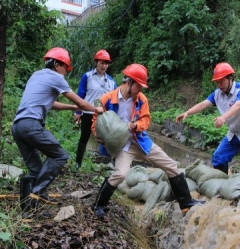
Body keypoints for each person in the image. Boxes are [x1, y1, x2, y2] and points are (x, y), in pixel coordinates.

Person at [91, 63, 204, 218]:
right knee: (120, 174)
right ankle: (99, 206)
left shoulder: (141, 99)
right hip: (122, 146)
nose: (141, 90)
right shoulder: (107, 99)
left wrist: (135, 125)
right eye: (139, 86)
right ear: (129, 82)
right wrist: (99, 135)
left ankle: (186, 203)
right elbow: (96, 121)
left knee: (170, 165)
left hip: (139, 141)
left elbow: (146, 120)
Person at [11, 47, 104, 220]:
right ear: (56, 64)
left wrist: (74, 108)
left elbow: (52, 104)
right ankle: (38, 192)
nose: (65, 73)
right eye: (65, 68)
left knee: (35, 169)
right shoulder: (55, 77)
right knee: (60, 155)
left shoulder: (36, 75)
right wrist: (95, 109)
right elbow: (82, 104)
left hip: (18, 126)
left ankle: (27, 211)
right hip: (31, 125)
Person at [175, 62, 240, 184]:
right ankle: (223, 185)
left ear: (230, 78)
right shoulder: (217, 94)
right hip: (235, 132)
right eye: (217, 82)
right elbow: (203, 104)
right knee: (218, 158)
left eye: (221, 81)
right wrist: (187, 113)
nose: (219, 85)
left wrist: (223, 117)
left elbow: (238, 105)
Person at [73, 49, 117, 172]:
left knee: (107, 138)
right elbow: (80, 94)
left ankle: (111, 162)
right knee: (84, 137)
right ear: (96, 62)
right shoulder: (87, 77)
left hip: (103, 115)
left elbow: (114, 99)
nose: (104, 66)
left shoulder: (111, 81)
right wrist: (78, 111)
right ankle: (78, 163)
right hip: (88, 113)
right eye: (102, 63)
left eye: (106, 63)